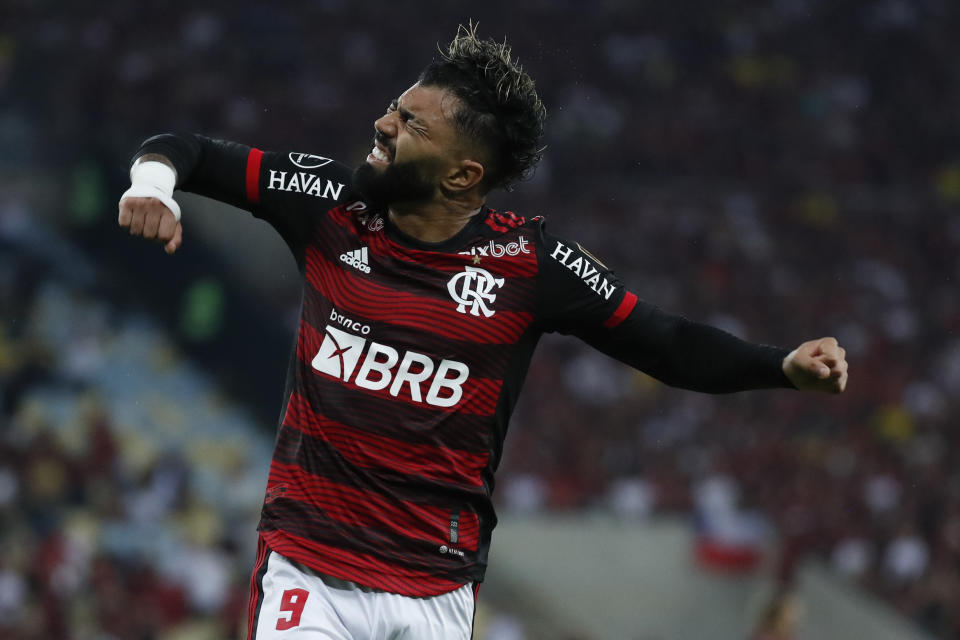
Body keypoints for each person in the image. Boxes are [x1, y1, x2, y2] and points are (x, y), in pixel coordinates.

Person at [117, 24, 848, 640]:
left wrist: (780, 366)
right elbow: (185, 149)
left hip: (436, 590)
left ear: (463, 176)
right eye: (394, 109)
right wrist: (151, 186)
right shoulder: (327, 205)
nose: (383, 125)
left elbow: (666, 342)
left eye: (411, 125)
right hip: (312, 566)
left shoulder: (530, 264)